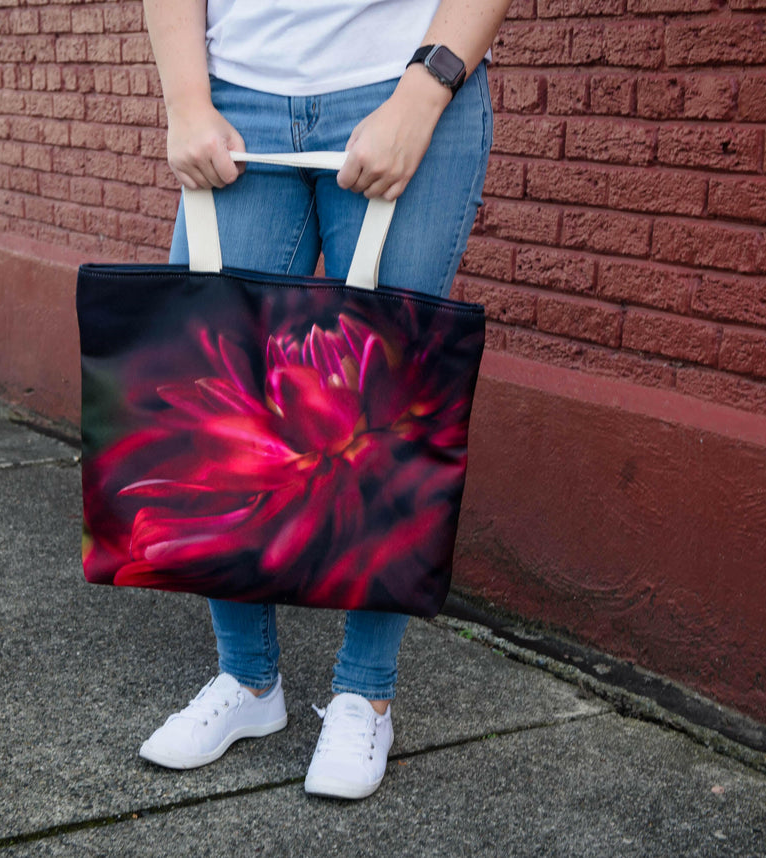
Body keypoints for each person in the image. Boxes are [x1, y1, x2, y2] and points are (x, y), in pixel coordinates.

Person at [137, 0, 511, 800]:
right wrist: (186, 102)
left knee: (389, 409)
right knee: (213, 409)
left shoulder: (419, 93)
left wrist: (424, 92)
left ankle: (365, 693)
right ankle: (248, 683)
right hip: (234, 94)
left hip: (409, 85)